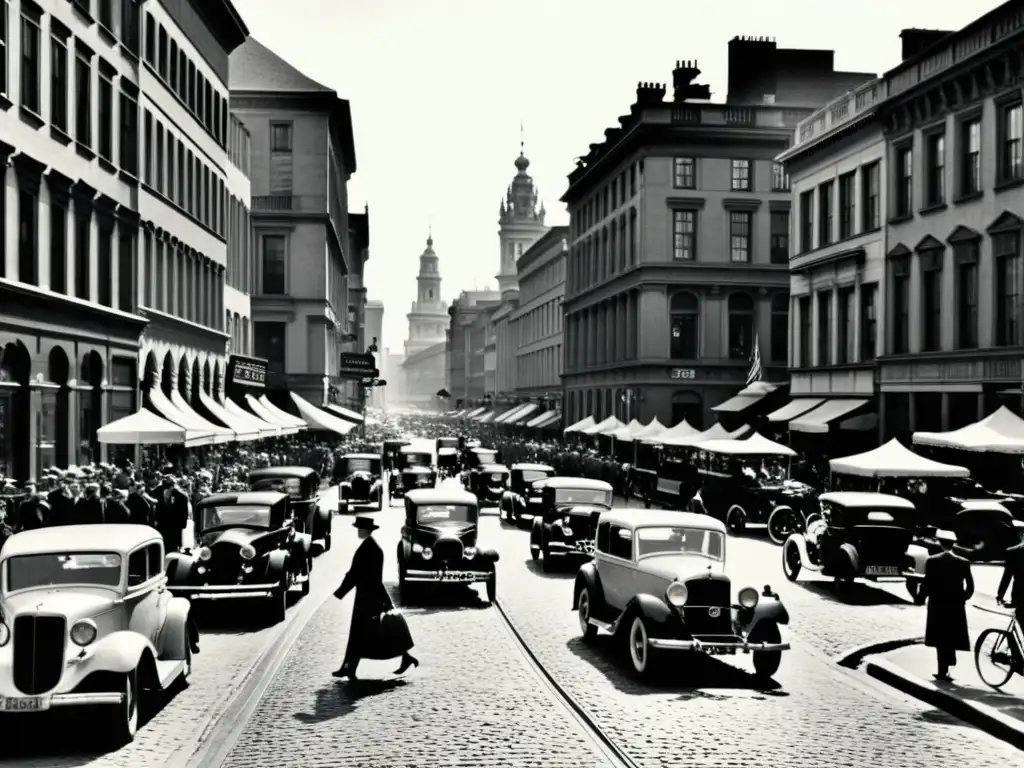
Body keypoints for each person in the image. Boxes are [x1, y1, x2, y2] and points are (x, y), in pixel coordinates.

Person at [332, 516, 418, 680]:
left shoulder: (369, 549)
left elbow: (356, 574)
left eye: (360, 529)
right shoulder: (371, 547)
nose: (358, 531)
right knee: (360, 634)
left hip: (368, 599)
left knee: (363, 635)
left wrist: (341, 592)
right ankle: (348, 667)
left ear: (365, 530)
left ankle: (349, 667)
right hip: (367, 596)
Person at [922, 529, 974, 681]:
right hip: (955, 604)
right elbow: (970, 587)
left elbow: (927, 583)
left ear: (940, 543)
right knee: (951, 632)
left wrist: (920, 597)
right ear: (954, 544)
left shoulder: (932, 561)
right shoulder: (963, 562)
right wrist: (962, 599)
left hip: (937, 603)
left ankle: (942, 669)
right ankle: (950, 659)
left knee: (939, 635)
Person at [996, 528, 1024, 624]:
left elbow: (1007, 576)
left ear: (1021, 535)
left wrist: (1000, 595)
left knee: (1018, 626)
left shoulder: (1013, 551)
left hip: (1019, 595)